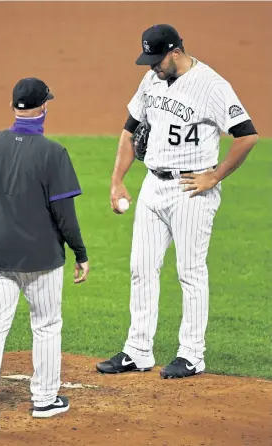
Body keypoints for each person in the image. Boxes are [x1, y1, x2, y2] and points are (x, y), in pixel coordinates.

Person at [97, 24, 258, 379]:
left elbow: (246, 135)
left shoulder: (212, 86)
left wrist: (215, 175)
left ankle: (192, 354)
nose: (152, 67)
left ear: (175, 52)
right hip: (153, 185)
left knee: (190, 272)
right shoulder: (151, 81)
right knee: (142, 269)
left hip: (191, 189)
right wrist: (117, 180)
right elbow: (129, 130)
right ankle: (137, 350)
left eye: (156, 60)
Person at [0, 78, 89, 433]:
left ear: (14, 107)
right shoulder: (53, 153)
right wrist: (80, 252)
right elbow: (65, 215)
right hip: (41, 260)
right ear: (43, 107)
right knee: (46, 325)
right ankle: (45, 400)